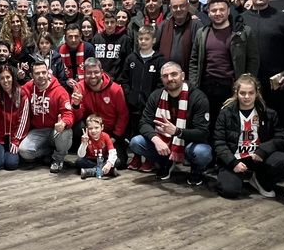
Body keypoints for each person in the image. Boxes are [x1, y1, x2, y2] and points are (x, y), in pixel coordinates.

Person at [129, 62, 212, 185]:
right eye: (165, 76)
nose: (170, 78)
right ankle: (165, 162)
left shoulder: (198, 97)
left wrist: (178, 132)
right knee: (136, 142)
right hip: (164, 142)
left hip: (189, 144)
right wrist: (156, 140)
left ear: (182, 76)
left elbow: (203, 132)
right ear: (161, 79)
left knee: (202, 152)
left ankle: (196, 169)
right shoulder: (156, 95)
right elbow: (143, 123)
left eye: (174, 74)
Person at [212, 74, 284, 199]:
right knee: (230, 191)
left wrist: (263, 150)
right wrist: (233, 163)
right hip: (235, 158)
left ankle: (260, 179)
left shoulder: (268, 113)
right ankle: (236, 176)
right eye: (242, 93)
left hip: (258, 157)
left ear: (256, 93)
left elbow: (281, 138)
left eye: (251, 93)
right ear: (236, 93)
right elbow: (219, 142)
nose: (247, 97)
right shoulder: (226, 113)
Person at [188, 0, 259, 124]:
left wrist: (247, 83)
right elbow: (194, 60)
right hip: (206, 87)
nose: (218, 13)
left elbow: (253, 60)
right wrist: (194, 85)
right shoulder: (202, 33)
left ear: (228, 11)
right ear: (208, 12)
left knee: (230, 124)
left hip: (231, 87)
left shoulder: (243, 32)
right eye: (214, 10)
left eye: (222, 9)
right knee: (207, 124)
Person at [245, 0, 284, 126]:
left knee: (277, 123)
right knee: (251, 122)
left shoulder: (283, 18)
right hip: (248, 83)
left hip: (277, 84)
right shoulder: (241, 19)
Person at [11, 60, 74, 173]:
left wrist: (64, 123)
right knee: (24, 151)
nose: (41, 76)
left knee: (66, 132)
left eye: (44, 72)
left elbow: (68, 114)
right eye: (37, 73)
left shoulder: (60, 91)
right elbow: (15, 93)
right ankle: (50, 152)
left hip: (55, 129)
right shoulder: (28, 87)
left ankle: (58, 159)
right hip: (38, 131)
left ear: (48, 73)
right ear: (31, 76)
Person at [69, 58, 128, 170]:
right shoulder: (79, 87)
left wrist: (114, 137)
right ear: (84, 73)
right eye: (89, 73)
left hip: (111, 133)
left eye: (96, 72)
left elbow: (123, 116)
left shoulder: (115, 89)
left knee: (120, 162)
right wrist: (76, 105)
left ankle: (95, 167)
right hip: (92, 131)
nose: (93, 76)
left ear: (101, 72)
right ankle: (101, 166)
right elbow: (77, 117)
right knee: (78, 127)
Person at [120, 26, 165, 171]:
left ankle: (149, 158)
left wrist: (153, 99)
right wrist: (129, 94)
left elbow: (161, 84)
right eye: (141, 39)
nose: (143, 41)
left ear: (153, 40)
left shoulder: (159, 60)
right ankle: (136, 157)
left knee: (149, 132)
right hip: (133, 105)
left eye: (147, 39)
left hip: (150, 106)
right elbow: (124, 79)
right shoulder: (131, 58)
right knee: (134, 131)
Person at [0, 65, 26, 171]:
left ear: (13, 77)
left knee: (11, 164)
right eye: (2, 78)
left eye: (8, 77)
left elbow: (24, 120)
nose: (5, 81)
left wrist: (16, 140)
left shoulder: (21, 93)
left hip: (14, 136)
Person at [154, 0, 202, 71]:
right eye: (175, 7)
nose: (178, 9)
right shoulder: (163, 25)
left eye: (182, 6)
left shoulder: (197, 25)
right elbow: (155, 48)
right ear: (170, 8)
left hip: (188, 74)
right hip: (165, 73)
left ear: (187, 6)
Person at [92, 11, 131, 81]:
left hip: (117, 80)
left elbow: (127, 61)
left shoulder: (124, 39)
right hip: (99, 79)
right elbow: (93, 60)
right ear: (103, 23)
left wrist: (122, 79)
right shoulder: (96, 38)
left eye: (112, 22)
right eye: (107, 22)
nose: (109, 25)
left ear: (116, 23)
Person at [76, 114, 117, 179]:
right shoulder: (86, 137)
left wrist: (109, 163)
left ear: (102, 127)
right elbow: (81, 155)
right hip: (91, 160)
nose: (93, 131)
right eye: (90, 128)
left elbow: (112, 151)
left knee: (117, 161)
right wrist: (84, 143)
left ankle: (91, 172)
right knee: (79, 162)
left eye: (96, 128)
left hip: (103, 159)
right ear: (87, 129)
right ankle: (107, 171)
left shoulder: (106, 136)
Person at [0, 10, 34, 76]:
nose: (16, 24)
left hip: (26, 71)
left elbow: (32, 56)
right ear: (8, 24)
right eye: (12, 22)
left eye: (17, 21)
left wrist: (27, 64)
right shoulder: (3, 39)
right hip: (9, 70)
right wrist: (19, 64)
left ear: (21, 22)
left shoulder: (28, 37)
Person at [58, 24, 95, 91]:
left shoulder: (88, 48)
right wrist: (66, 81)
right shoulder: (59, 51)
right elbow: (58, 74)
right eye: (70, 37)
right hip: (65, 88)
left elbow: (92, 70)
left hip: (86, 86)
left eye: (76, 36)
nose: (73, 40)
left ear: (80, 36)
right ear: (65, 38)